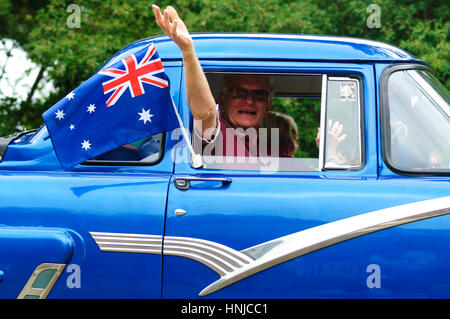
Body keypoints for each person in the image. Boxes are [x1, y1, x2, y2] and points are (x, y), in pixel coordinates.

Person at [152, 5, 273, 157]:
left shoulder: (272, 149)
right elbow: (206, 115)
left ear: (268, 107)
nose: (249, 100)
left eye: (259, 95)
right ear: (221, 101)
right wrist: (188, 52)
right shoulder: (219, 134)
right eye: (239, 92)